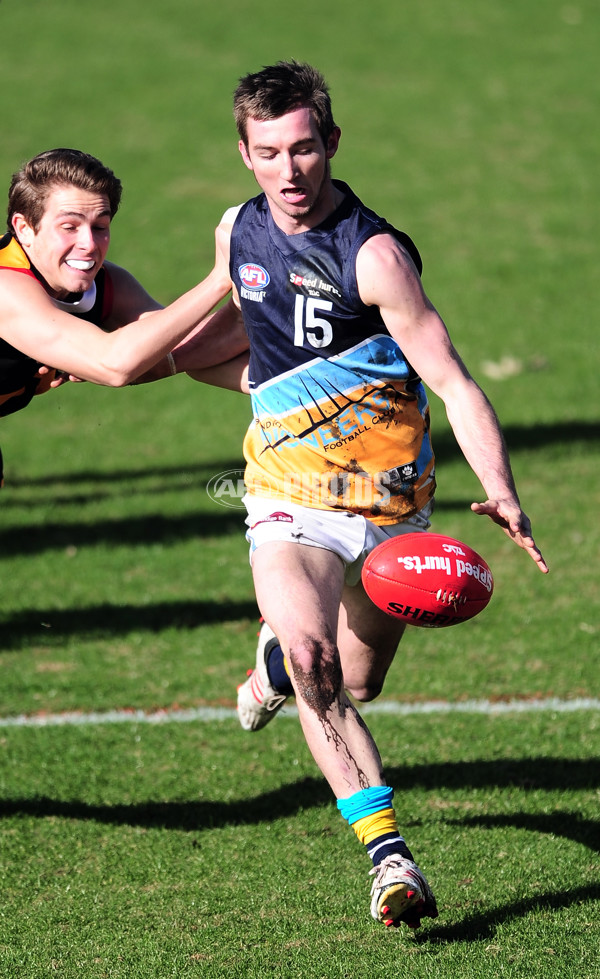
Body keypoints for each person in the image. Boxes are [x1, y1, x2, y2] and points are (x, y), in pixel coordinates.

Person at [191, 60, 549, 933]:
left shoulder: (375, 255)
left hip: (391, 506)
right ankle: (389, 855)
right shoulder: (236, 230)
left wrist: (500, 489)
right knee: (320, 662)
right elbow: (231, 341)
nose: (289, 171)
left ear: (332, 144)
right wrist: (265, 387)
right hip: (288, 494)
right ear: (244, 153)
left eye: (304, 148)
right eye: (269, 151)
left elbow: (453, 382)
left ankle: (273, 666)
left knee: (354, 677)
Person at [0, 147, 247, 485]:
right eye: (69, 226)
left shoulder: (106, 286)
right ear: (24, 228)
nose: (89, 244)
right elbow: (114, 364)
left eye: (100, 226)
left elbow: (179, 346)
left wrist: (308, 382)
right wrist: (221, 279)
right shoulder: (5, 286)